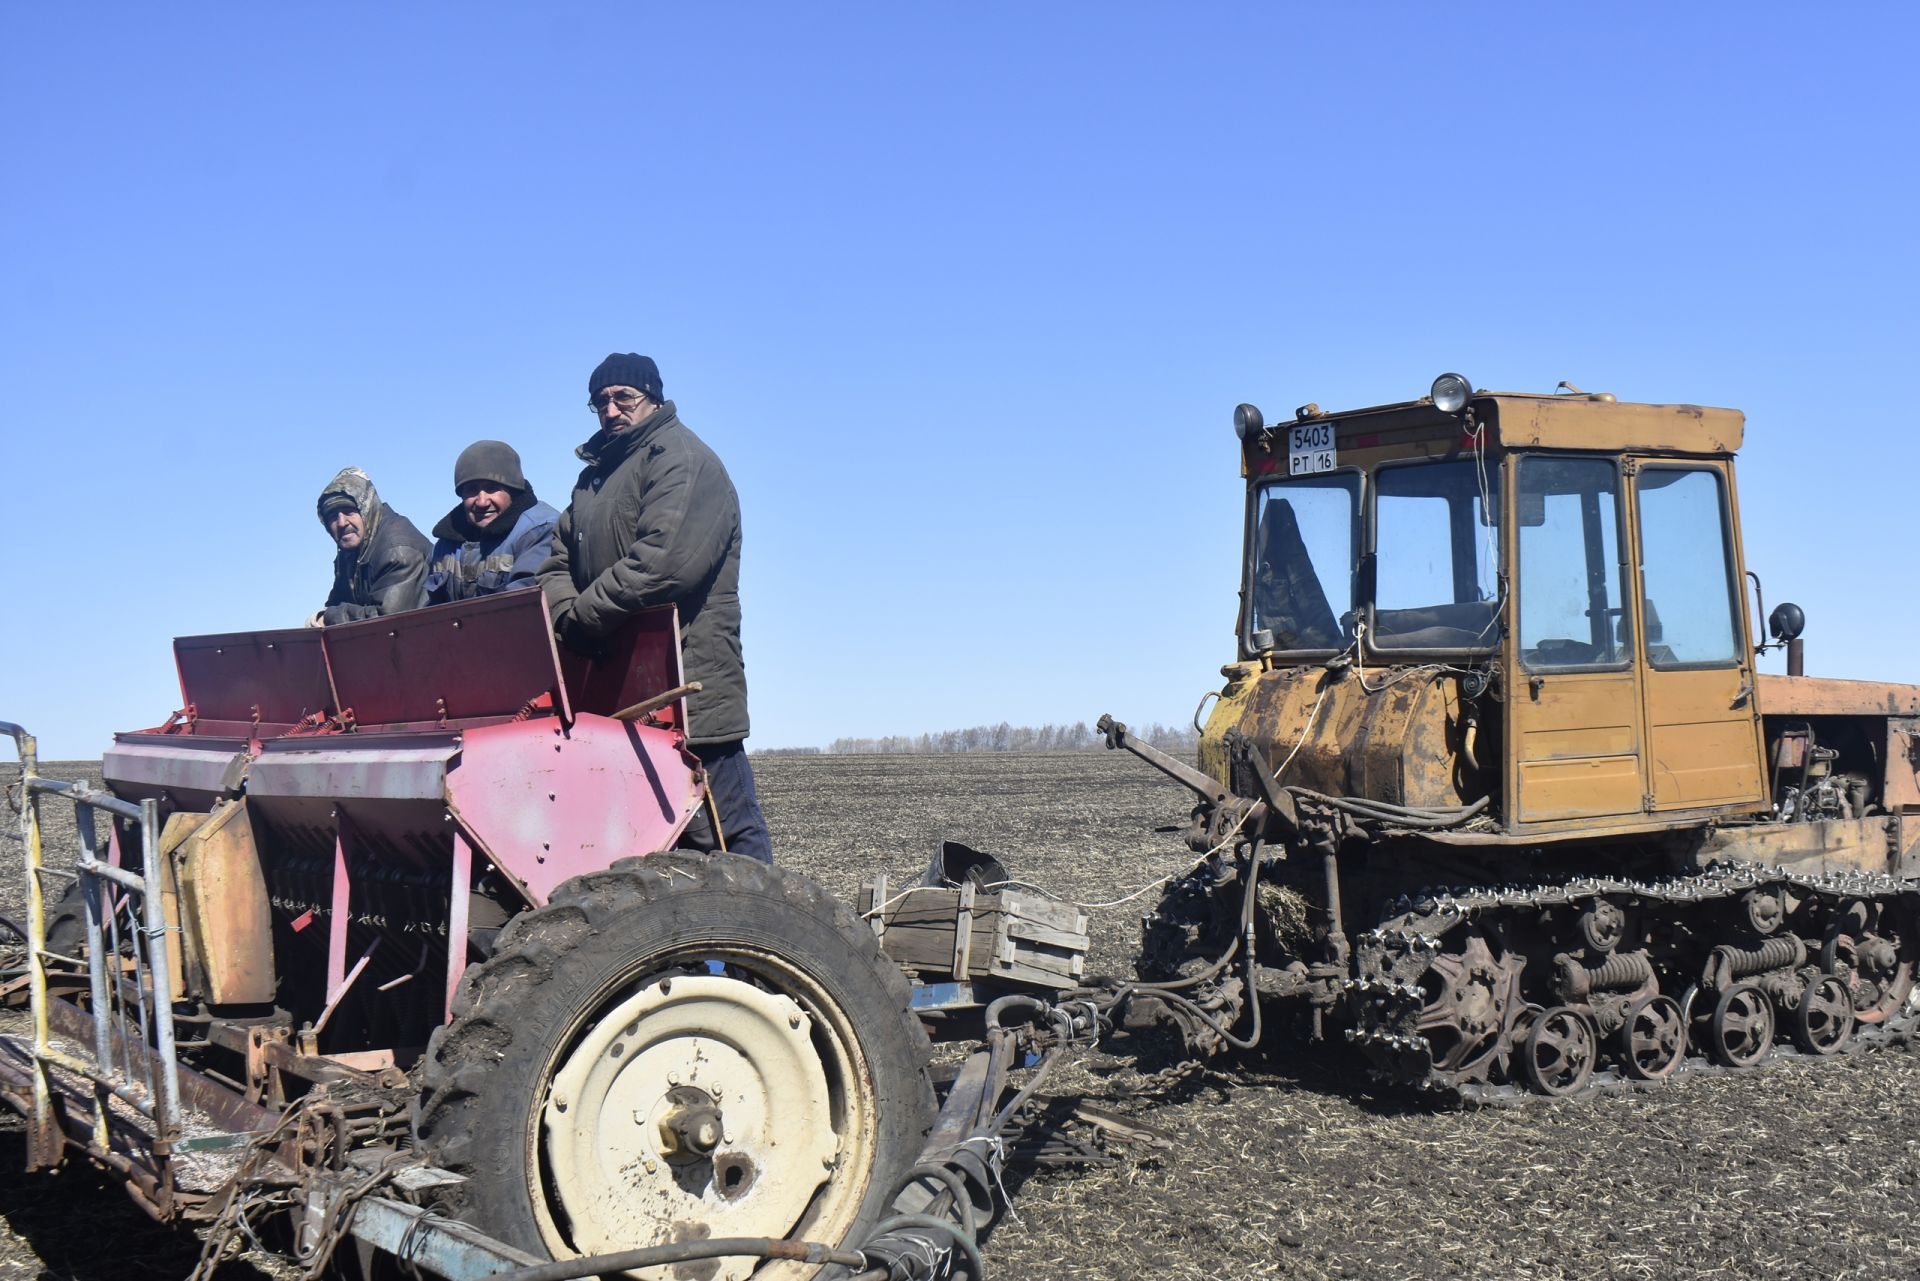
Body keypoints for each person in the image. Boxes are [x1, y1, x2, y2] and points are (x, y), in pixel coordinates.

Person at [539, 353, 772, 864]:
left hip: (690, 683)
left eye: (624, 397)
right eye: (600, 401)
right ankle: (683, 944)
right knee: (653, 841)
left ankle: (752, 939)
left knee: (724, 835)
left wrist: (582, 618)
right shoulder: (594, 479)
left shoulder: (683, 460)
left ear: (654, 398)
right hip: (622, 686)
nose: (611, 410)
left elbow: (663, 564)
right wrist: (564, 614)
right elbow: (555, 560)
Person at [423, 441, 560, 604]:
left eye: (492, 488)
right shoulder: (444, 546)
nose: (482, 501)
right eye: (472, 490)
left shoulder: (540, 531)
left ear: (513, 491)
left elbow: (523, 608)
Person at [311, 467, 431, 626]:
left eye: (349, 511)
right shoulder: (351, 552)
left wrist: (329, 617)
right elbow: (337, 603)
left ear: (367, 510)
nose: (341, 523)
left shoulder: (397, 551)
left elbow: (388, 620)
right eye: (333, 516)